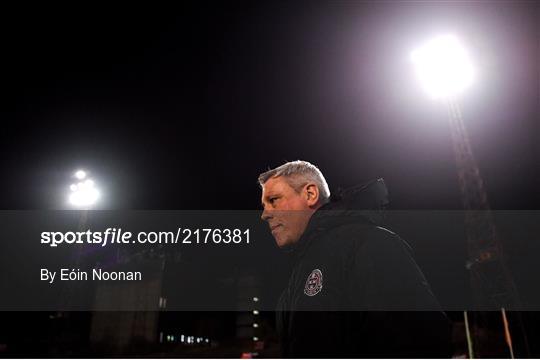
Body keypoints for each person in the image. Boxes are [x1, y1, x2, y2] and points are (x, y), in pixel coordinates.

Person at [259, 160, 451, 358]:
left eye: (273, 200)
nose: (264, 214)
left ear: (310, 194)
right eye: (264, 205)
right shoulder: (295, 279)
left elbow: (421, 341)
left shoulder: (367, 243)